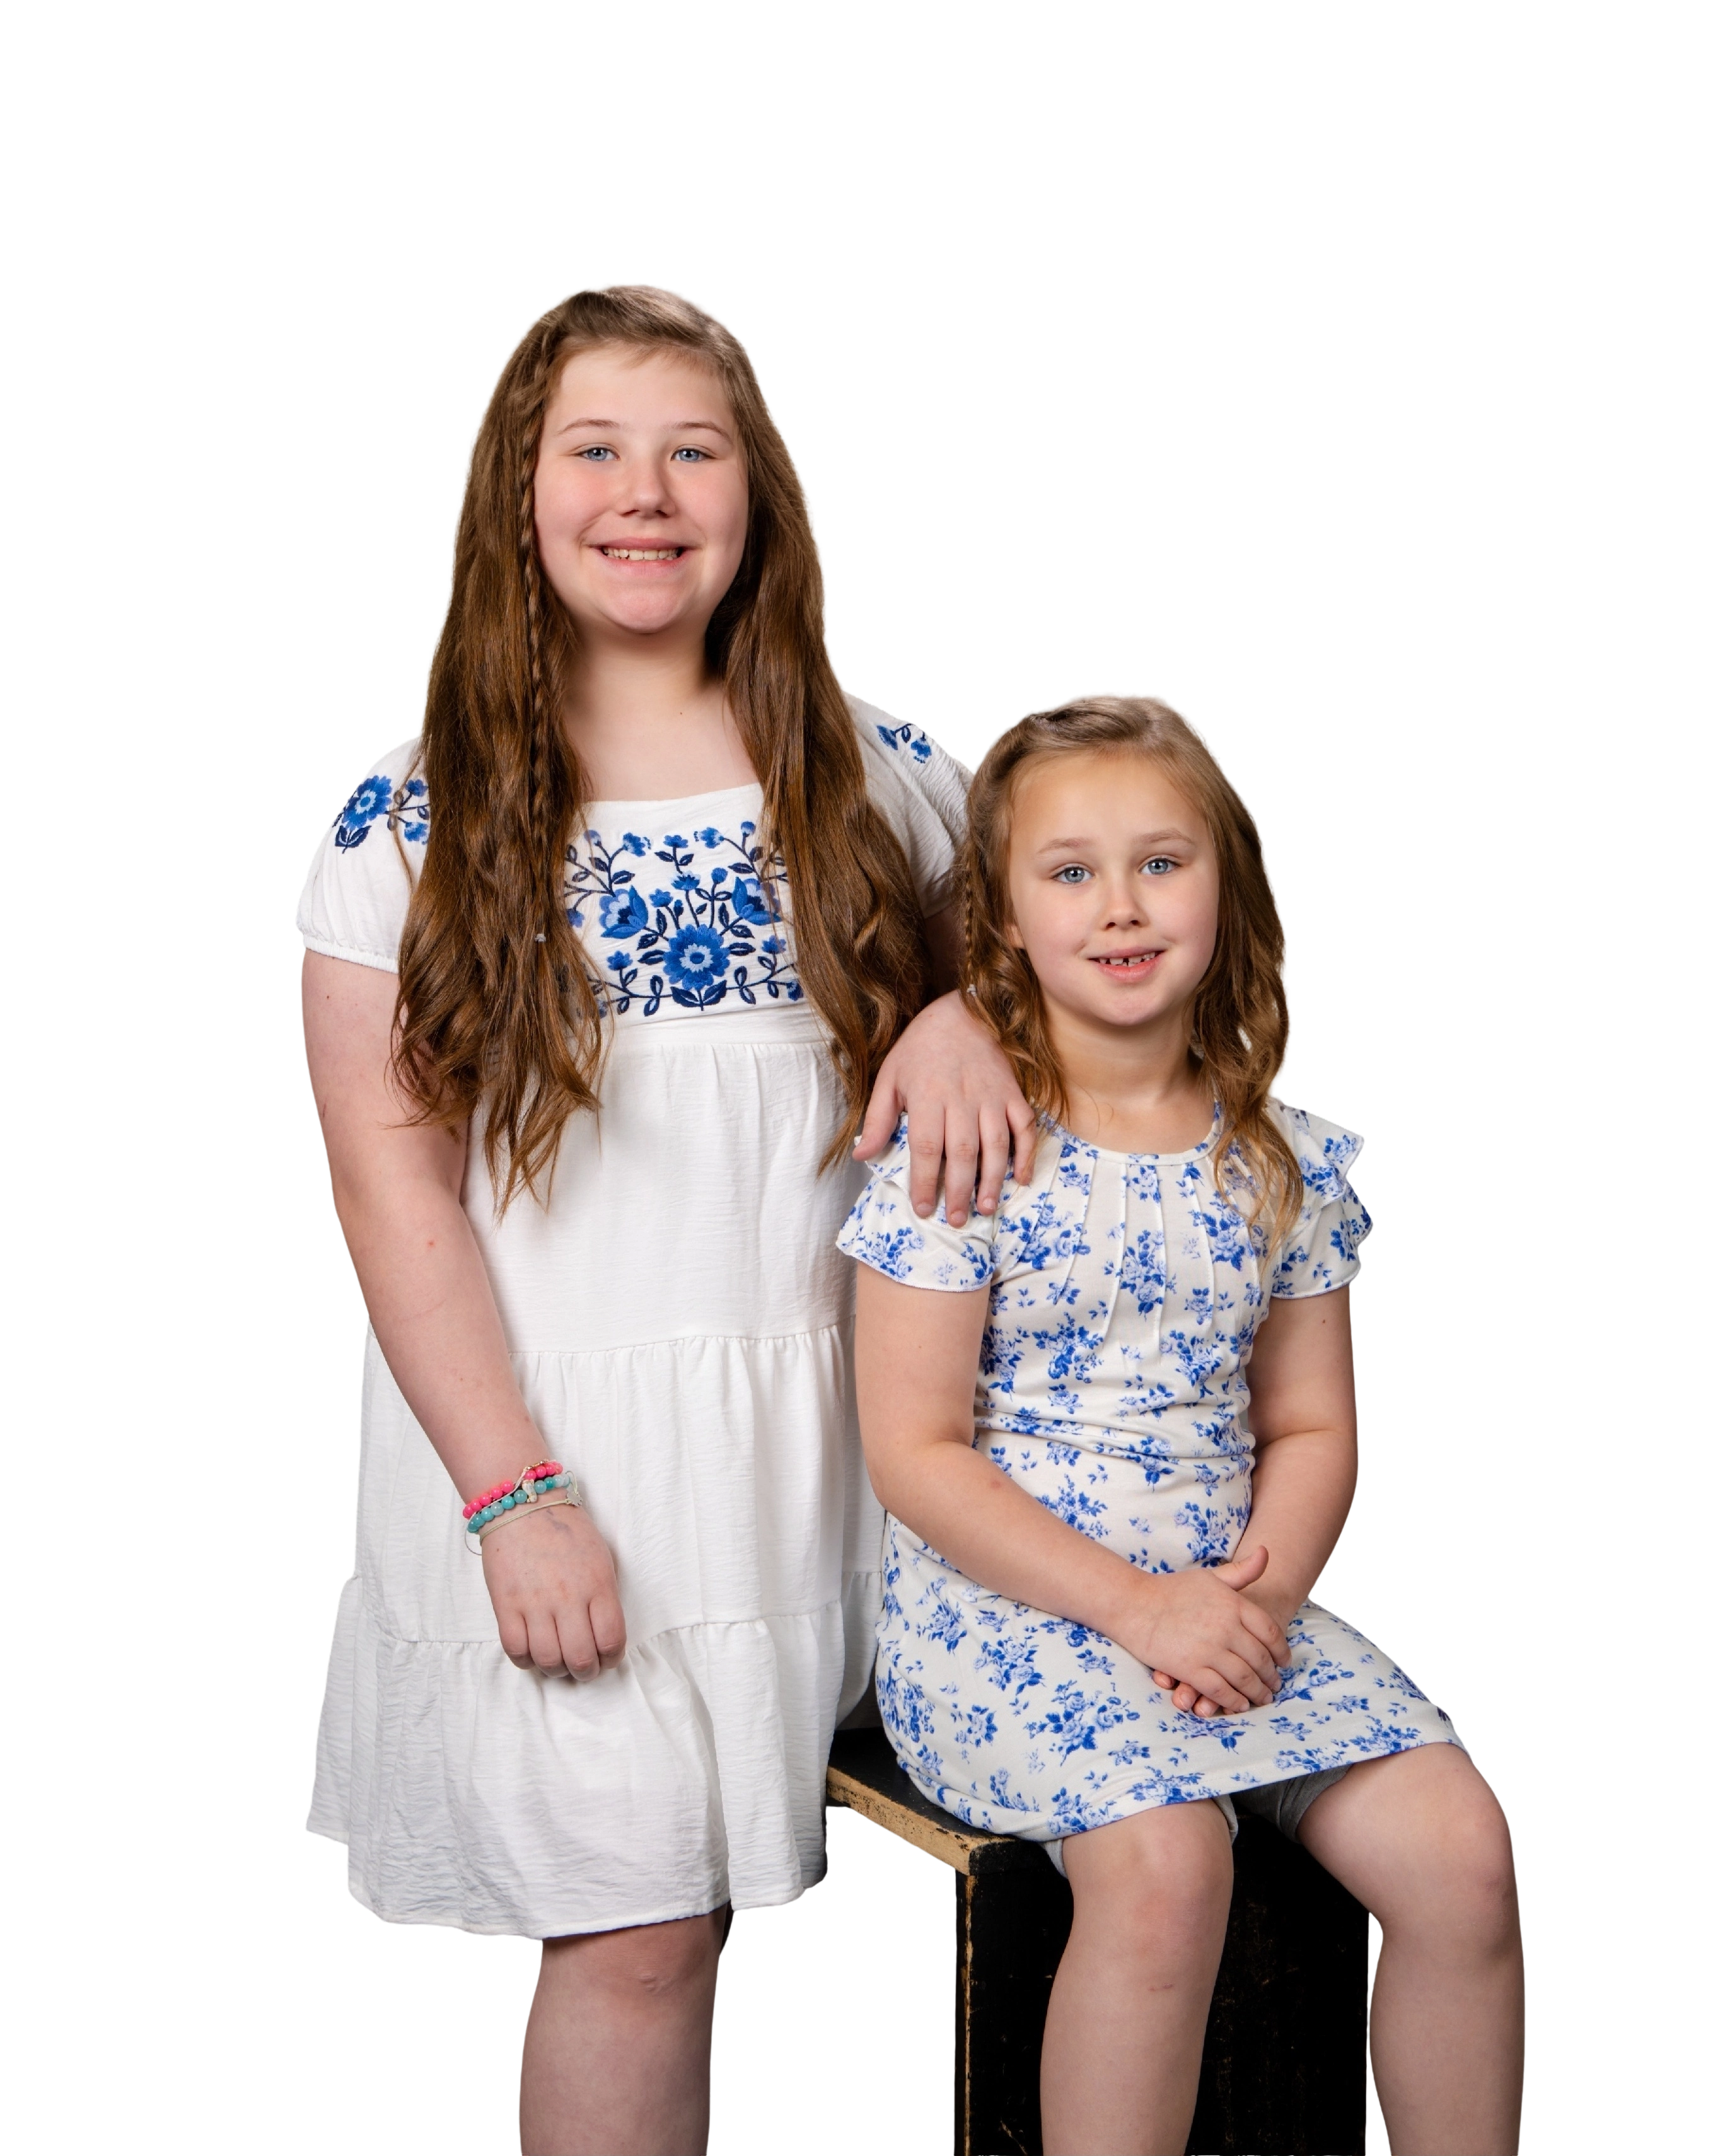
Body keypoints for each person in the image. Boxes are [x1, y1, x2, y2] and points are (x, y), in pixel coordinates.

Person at [294, 281, 1031, 2156]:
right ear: (516, 495)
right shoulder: (415, 820)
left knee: (697, 1921)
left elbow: (1079, 1008)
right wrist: (512, 1493)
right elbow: (392, 1187)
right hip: (562, 1454)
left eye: (694, 448)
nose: (647, 492)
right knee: (632, 1936)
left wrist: (969, 1005)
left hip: (824, 1453)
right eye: (596, 449)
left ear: (756, 494)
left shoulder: (886, 779)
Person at [840, 692, 1526, 2156]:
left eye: (1162, 862)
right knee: (1164, 1870)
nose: (1122, 906)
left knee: (1462, 1853)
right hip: (1012, 1619)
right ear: (1002, 917)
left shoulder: (1281, 1159)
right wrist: (1140, 1612)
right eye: (1070, 871)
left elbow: (1311, 1427)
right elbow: (914, 1452)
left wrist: (1253, 1603)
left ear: (1229, 885)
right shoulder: (967, 1155)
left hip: (1230, 1607)